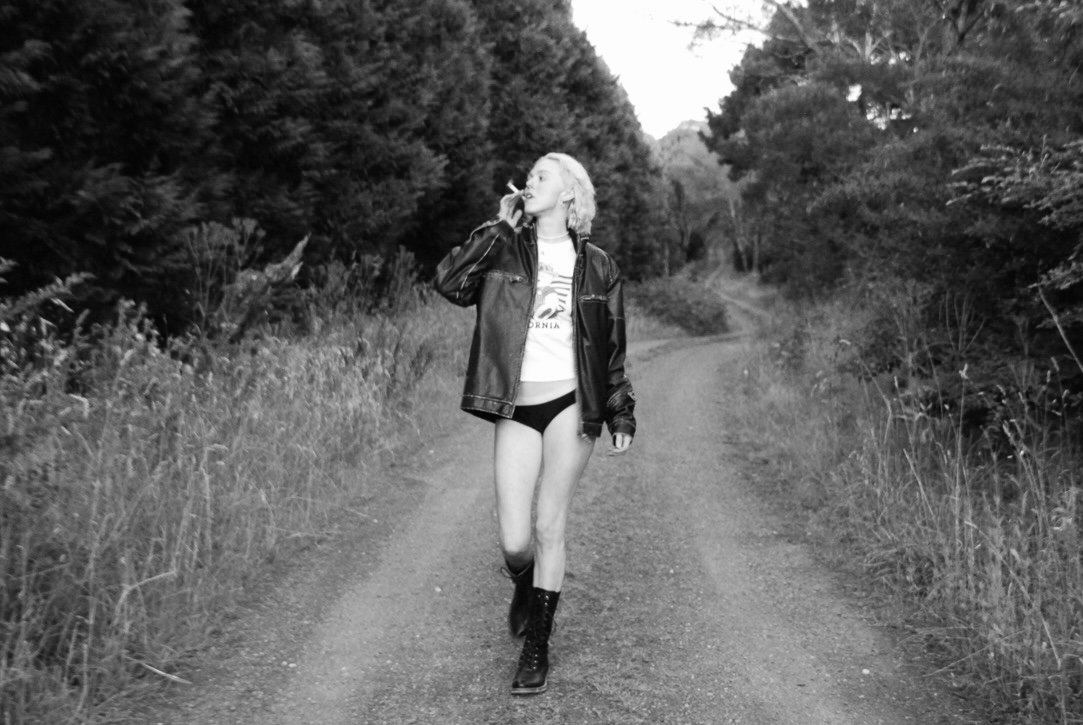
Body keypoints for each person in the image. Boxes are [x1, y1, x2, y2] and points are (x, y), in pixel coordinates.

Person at [433, 152, 636, 695]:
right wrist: (500, 226)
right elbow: (449, 283)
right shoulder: (504, 247)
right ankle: (523, 583)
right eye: (528, 177)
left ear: (569, 192)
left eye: (542, 176)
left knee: (549, 525)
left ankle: (537, 648)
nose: (530, 181)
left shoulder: (599, 267)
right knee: (515, 539)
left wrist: (620, 409)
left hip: (571, 400)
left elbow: (612, 350)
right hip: (516, 405)